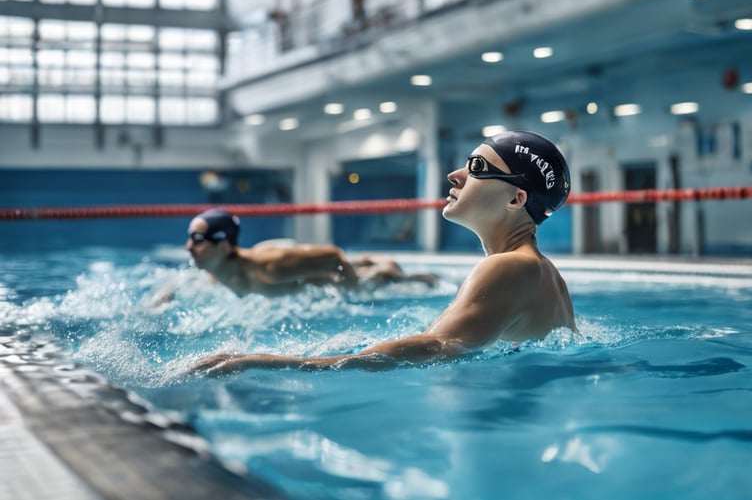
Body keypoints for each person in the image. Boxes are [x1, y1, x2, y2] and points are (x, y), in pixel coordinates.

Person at [190, 130, 576, 374]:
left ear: (516, 198)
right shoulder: (542, 272)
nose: (454, 175)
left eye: (476, 167)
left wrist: (278, 363)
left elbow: (436, 347)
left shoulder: (507, 268)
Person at [182, 208, 438, 297]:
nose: (188, 247)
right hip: (306, 276)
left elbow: (333, 256)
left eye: (197, 240)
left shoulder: (268, 267)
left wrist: (355, 290)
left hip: (334, 279)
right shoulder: (217, 272)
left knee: (372, 279)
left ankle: (402, 274)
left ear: (224, 245)